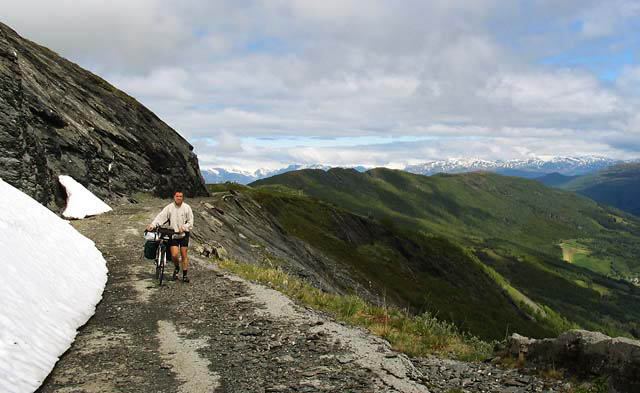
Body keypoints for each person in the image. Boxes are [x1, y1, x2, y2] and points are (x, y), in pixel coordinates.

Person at [146, 191, 194, 282]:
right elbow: (161, 217)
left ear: (182, 197)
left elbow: (190, 221)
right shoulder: (169, 208)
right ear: (174, 197)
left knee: (184, 254)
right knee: (174, 255)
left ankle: (184, 275)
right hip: (173, 234)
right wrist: (152, 225)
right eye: (177, 196)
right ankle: (176, 268)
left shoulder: (187, 208)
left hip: (184, 234)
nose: (179, 198)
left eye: (180, 196)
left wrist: (184, 228)